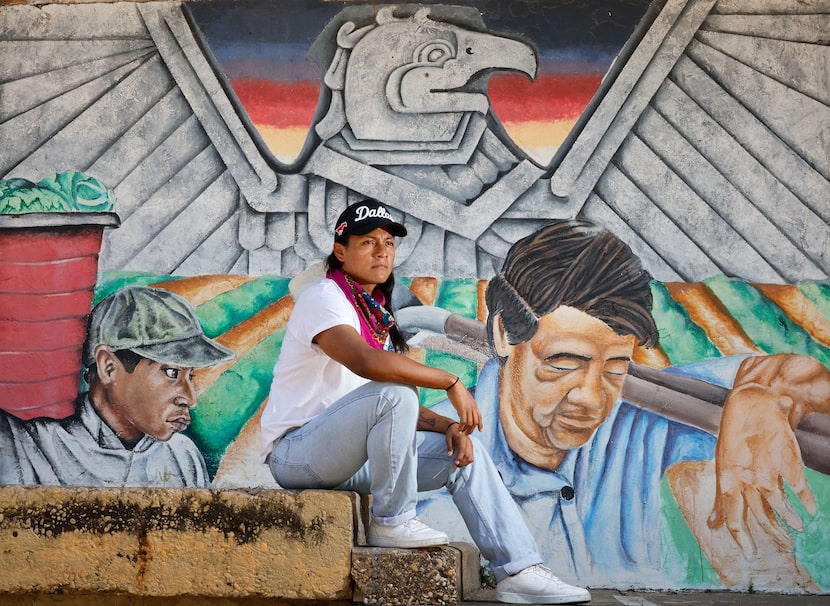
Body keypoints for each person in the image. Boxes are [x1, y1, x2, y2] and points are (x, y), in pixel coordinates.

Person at [416, 220, 828, 589]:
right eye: (563, 364)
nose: (593, 399)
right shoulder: (435, 464)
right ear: (505, 335)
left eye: (616, 369)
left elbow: (803, 377)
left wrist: (763, 398)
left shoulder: (649, 414)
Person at [260, 198, 592, 604]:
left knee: (464, 454)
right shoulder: (324, 297)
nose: (382, 251)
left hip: (350, 456)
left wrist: (447, 426)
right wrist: (451, 382)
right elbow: (368, 366)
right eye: (367, 242)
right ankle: (393, 520)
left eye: (388, 242)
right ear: (341, 252)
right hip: (298, 454)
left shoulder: (373, 315)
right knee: (397, 390)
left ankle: (519, 571)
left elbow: (386, 414)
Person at [0, 286, 235, 487]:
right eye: (171, 372)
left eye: (190, 376)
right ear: (108, 367)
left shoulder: (183, 457)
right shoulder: (29, 447)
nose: (190, 398)